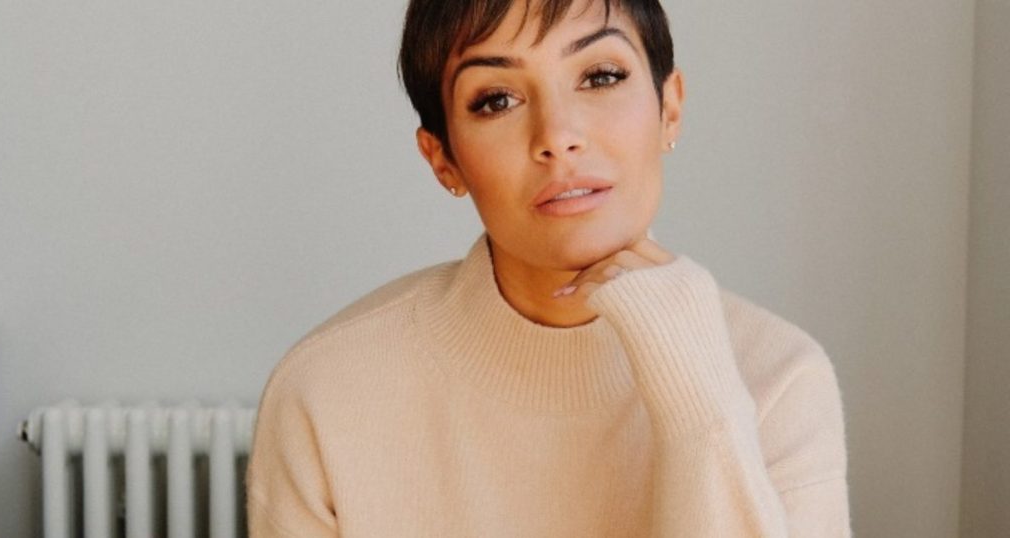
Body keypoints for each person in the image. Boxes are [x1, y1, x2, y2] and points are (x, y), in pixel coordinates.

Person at [246, 0, 852, 535]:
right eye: (497, 100)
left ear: (669, 109)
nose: (558, 136)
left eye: (600, 76)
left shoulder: (778, 380)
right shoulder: (326, 392)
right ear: (443, 159)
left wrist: (704, 412)